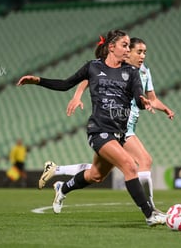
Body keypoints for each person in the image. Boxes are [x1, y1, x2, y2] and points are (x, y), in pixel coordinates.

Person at [17, 30, 166, 226]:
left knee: (95, 175)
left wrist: (143, 102)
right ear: (111, 47)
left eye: (129, 46)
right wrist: (38, 81)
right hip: (98, 130)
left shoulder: (131, 72)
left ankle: (62, 188)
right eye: (125, 45)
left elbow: (138, 97)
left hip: (118, 134)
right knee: (130, 166)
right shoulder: (93, 67)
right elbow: (65, 84)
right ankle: (150, 214)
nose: (128, 49)